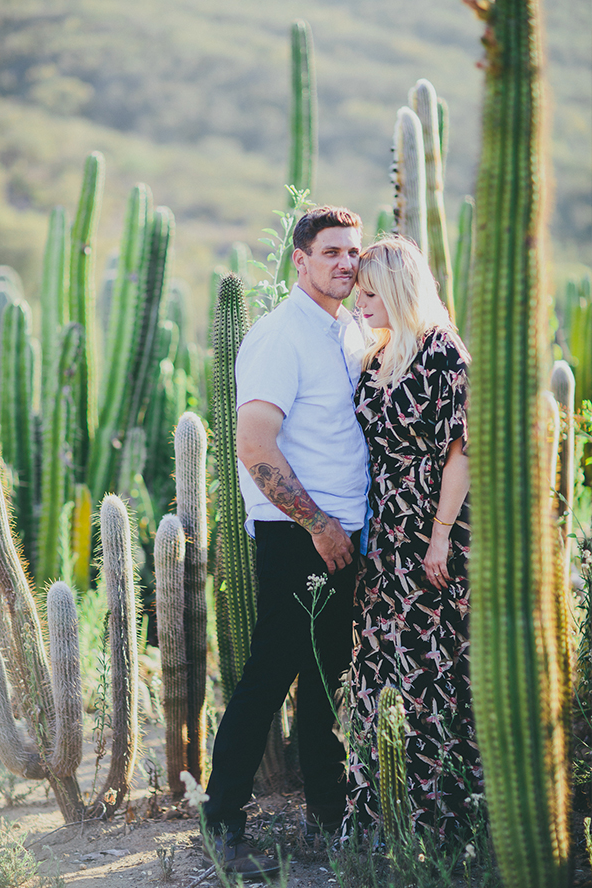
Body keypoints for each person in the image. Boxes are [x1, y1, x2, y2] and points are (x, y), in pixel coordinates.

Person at [202, 206, 370, 876]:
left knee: (331, 683)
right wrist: (319, 525)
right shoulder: (279, 336)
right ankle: (223, 823)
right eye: (331, 252)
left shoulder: (350, 330)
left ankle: (328, 821)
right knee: (270, 677)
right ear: (299, 259)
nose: (345, 265)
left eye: (353, 254)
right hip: (299, 536)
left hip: (345, 537)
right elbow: (254, 444)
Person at [344, 236, 482, 842]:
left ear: (399, 290)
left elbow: (461, 453)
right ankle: (383, 812)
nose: (362, 301)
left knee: (435, 666)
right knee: (382, 663)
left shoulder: (444, 354)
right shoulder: (381, 353)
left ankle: (446, 814)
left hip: (432, 525)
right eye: (358, 291)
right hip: (387, 529)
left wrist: (440, 537)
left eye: (372, 292)